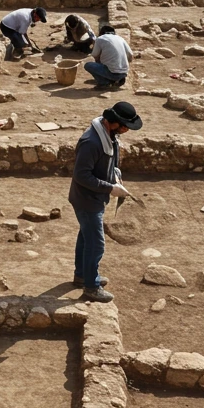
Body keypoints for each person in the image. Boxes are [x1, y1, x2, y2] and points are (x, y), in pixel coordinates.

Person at [70, 101, 141, 303]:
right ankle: (91, 287)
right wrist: (110, 188)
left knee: (86, 236)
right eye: (124, 125)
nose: (126, 129)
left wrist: (114, 173)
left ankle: (82, 275)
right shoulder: (91, 142)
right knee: (96, 244)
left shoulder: (108, 134)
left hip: (93, 198)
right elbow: (81, 175)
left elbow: (106, 161)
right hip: (87, 200)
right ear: (111, 122)